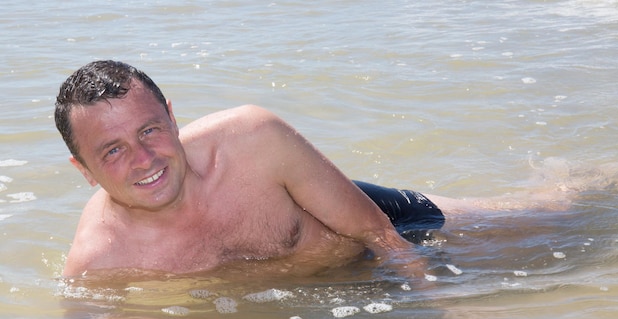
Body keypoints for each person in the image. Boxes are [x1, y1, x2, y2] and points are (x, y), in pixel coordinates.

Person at [53, 61, 502, 277]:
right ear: (84, 170)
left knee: (552, 221)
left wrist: (439, 306)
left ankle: (569, 182)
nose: (144, 159)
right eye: (112, 151)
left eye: (150, 130)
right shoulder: (98, 259)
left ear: (172, 116)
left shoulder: (253, 138)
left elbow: (377, 231)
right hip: (336, 286)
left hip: (393, 225)